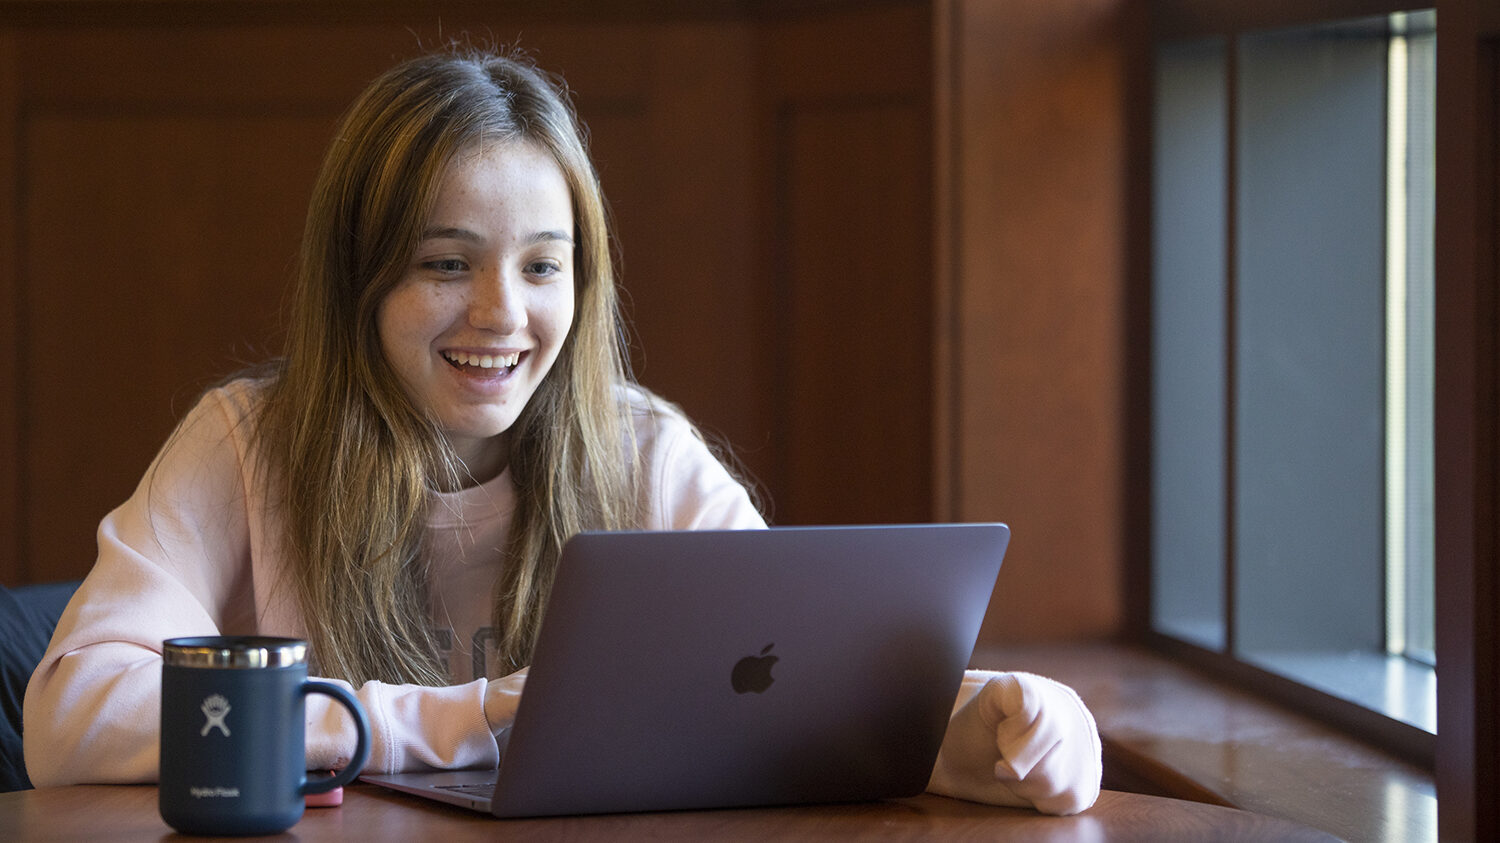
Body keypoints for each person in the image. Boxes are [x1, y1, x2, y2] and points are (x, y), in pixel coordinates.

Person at [22, 48, 1101, 815]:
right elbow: (71, 719)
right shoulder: (246, 441)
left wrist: (1015, 728)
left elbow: (801, 695)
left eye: (543, 265)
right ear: (360, 278)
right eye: (447, 262)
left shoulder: (642, 452)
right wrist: (460, 719)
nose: (503, 314)